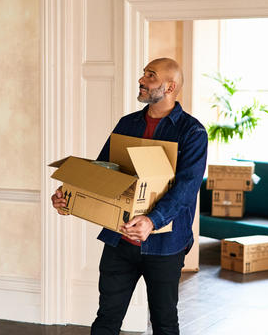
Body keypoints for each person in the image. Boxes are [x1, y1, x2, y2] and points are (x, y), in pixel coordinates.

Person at [51, 57, 207, 335]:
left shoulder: (192, 132)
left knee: (164, 323)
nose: (141, 80)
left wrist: (152, 220)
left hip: (165, 244)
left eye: (150, 76)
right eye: (143, 74)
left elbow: (187, 188)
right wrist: (68, 197)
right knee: (106, 319)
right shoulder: (127, 124)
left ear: (170, 87)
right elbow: (101, 172)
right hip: (118, 239)